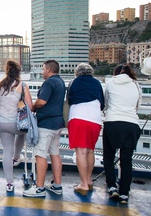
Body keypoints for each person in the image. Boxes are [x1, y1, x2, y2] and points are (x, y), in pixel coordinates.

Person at [23, 60, 65, 198]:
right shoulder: (60, 82)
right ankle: (57, 185)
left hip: (46, 124)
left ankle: (39, 188)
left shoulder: (49, 83)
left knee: (40, 155)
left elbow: (42, 101)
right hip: (58, 123)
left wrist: (33, 108)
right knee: (55, 153)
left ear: (48, 69)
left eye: (43, 69)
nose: (42, 72)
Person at [103, 64, 141, 204]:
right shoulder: (136, 84)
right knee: (126, 160)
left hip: (112, 122)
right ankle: (124, 193)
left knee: (108, 157)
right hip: (131, 124)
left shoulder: (110, 83)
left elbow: (106, 103)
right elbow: (138, 105)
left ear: (115, 73)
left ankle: (112, 187)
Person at [0, 60, 33, 192]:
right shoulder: (22, 85)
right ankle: (17, 157)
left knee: (7, 151)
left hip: (1, 122)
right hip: (15, 123)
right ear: (18, 72)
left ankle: (9, 183)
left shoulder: (1, 85)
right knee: (22, 132)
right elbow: (30, 105)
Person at [68, 63, 104, 195]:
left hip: (78, 117)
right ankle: (88, 181)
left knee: (81, 152)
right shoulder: (97, 83)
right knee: (90, 151)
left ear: (77, 73)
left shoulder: (74, 82)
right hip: (95, 120)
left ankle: (82, 184)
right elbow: (102, 103)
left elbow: (70, 99)